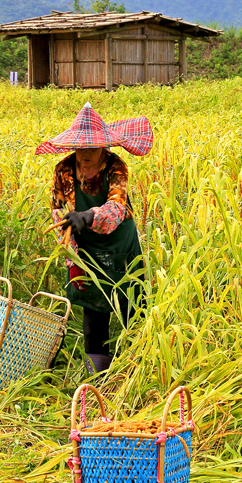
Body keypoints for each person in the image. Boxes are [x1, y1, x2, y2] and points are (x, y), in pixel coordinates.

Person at [38, 103, 152, 373]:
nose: (85, 155)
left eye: (92, 148)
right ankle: (98, 382)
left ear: (104, 147)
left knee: (132, 310)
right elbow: (57, 212)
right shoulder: (64, 171)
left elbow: (115, 209)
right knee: (93, 318)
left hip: (120, 247)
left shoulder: (116, 168)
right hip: (86, 250)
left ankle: (135, 372)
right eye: (81, 148)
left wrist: (87, 216)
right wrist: (72, 258)